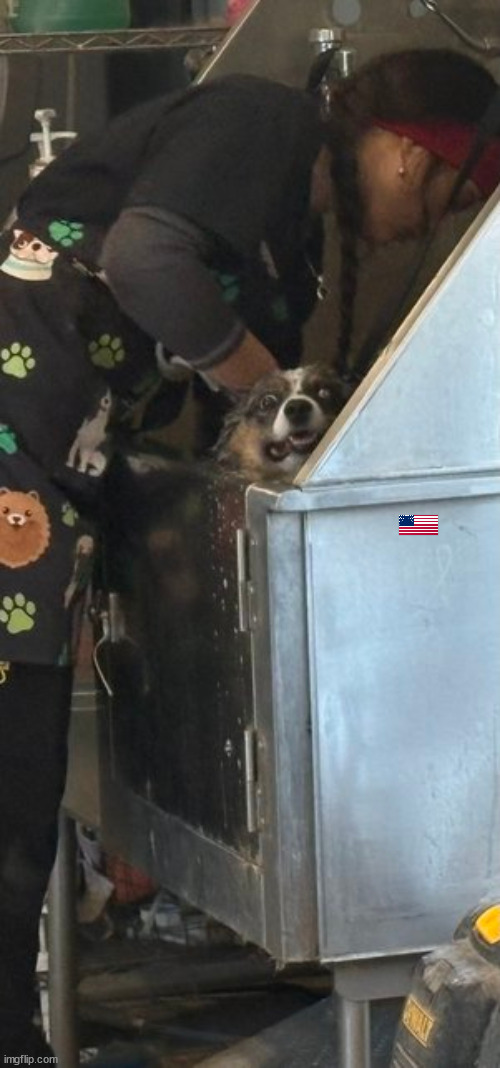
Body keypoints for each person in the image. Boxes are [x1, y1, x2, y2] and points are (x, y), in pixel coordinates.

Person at [0, 47, 499, 1057]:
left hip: (55, 478)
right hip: (15, 452)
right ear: (412, 155)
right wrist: (266, 391)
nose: (428, 224)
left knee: (22, 786)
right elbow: (146, 260)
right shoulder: (262, 122)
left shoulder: (290, 241)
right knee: (9, 790)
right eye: (450, 198)